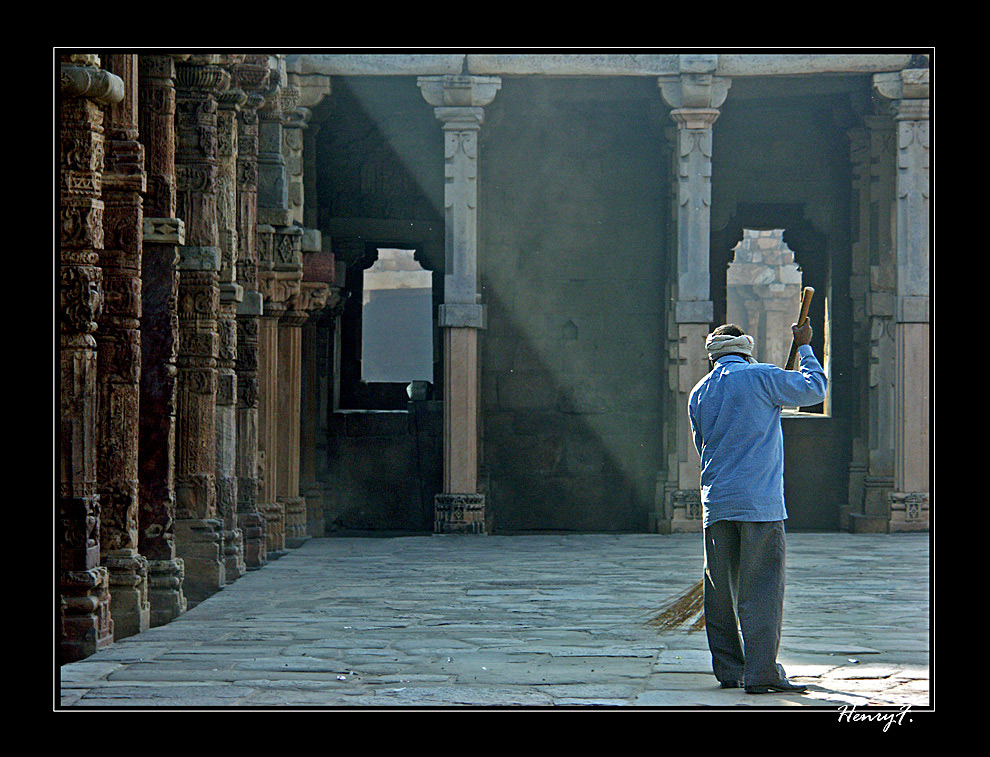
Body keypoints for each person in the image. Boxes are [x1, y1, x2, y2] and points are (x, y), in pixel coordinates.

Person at [687, 321, 827, 694]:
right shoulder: (763, 377)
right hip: (759, 504)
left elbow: (704, 448)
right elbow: (814, 389)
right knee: (761, 590)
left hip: (716, 503)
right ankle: (762, 673)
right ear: (746, 349)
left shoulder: (699, 392)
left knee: (721, 593)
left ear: (713, 355)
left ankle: (730, 669)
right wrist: (806, 348)